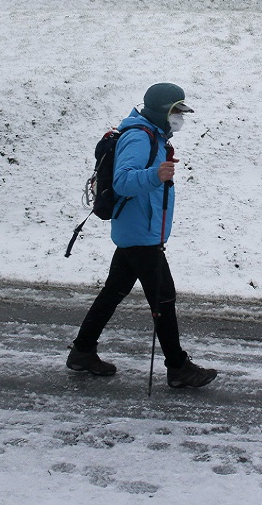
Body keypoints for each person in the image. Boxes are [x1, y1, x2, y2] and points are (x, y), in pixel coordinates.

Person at [66, 82, 218, 389]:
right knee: (164, 298)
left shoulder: (153, 135)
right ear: (162, 111)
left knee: (113, 292)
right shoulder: (139, 136)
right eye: (176, 111)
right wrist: (155, 175)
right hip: (140, 234)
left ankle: (82, 352)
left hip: (137, 230)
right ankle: (177, 368)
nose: (180, 118)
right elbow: (122, 181)